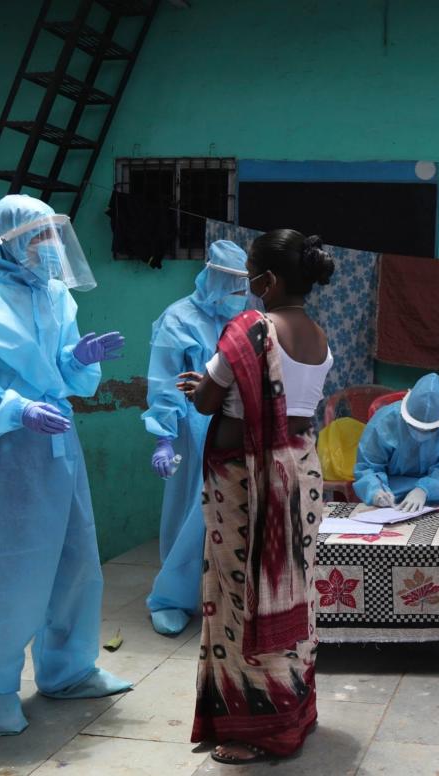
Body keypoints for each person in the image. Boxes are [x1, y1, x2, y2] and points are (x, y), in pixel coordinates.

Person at [0, 194, 131, 744]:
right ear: (6, 241)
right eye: (37, 237)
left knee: (75, 559)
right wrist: (14, 408)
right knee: (4, 571)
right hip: (1, 455)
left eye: (51, 235)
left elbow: (56, 366)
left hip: (58, 446)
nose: (49, 247)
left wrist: (78, 361)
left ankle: (69, 669)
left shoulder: (57, 296)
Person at [179, 228, 334, 764]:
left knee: (242, 596)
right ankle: (295, 708)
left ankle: (255, 728)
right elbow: (290, 402)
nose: (247, 287)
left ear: (266, 280)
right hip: (300, 474)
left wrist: (200, 386)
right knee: (291, 587)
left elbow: (206, 403)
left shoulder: (250, 332)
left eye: (250, 276)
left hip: (246, 481)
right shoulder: (320, 336)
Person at [141, 240, 251, 635]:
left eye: (245, 287)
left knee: (230, 511)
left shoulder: (242, 319)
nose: (241, 296)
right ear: (217, 280)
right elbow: (165, 382)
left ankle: (218, 592)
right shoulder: (178, 320)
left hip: (234, 424)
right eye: (235, 287)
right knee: (191, 512)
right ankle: (170, 597)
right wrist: (164, 437)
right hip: (192, 426)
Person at [352, 372, 439, 510]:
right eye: (414, 426)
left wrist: (424, 490)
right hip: (396, 486)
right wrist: (376, 491)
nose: (421, 434)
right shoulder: (385, 421)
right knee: (386, 504)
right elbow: (368, 466)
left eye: (431, 429)